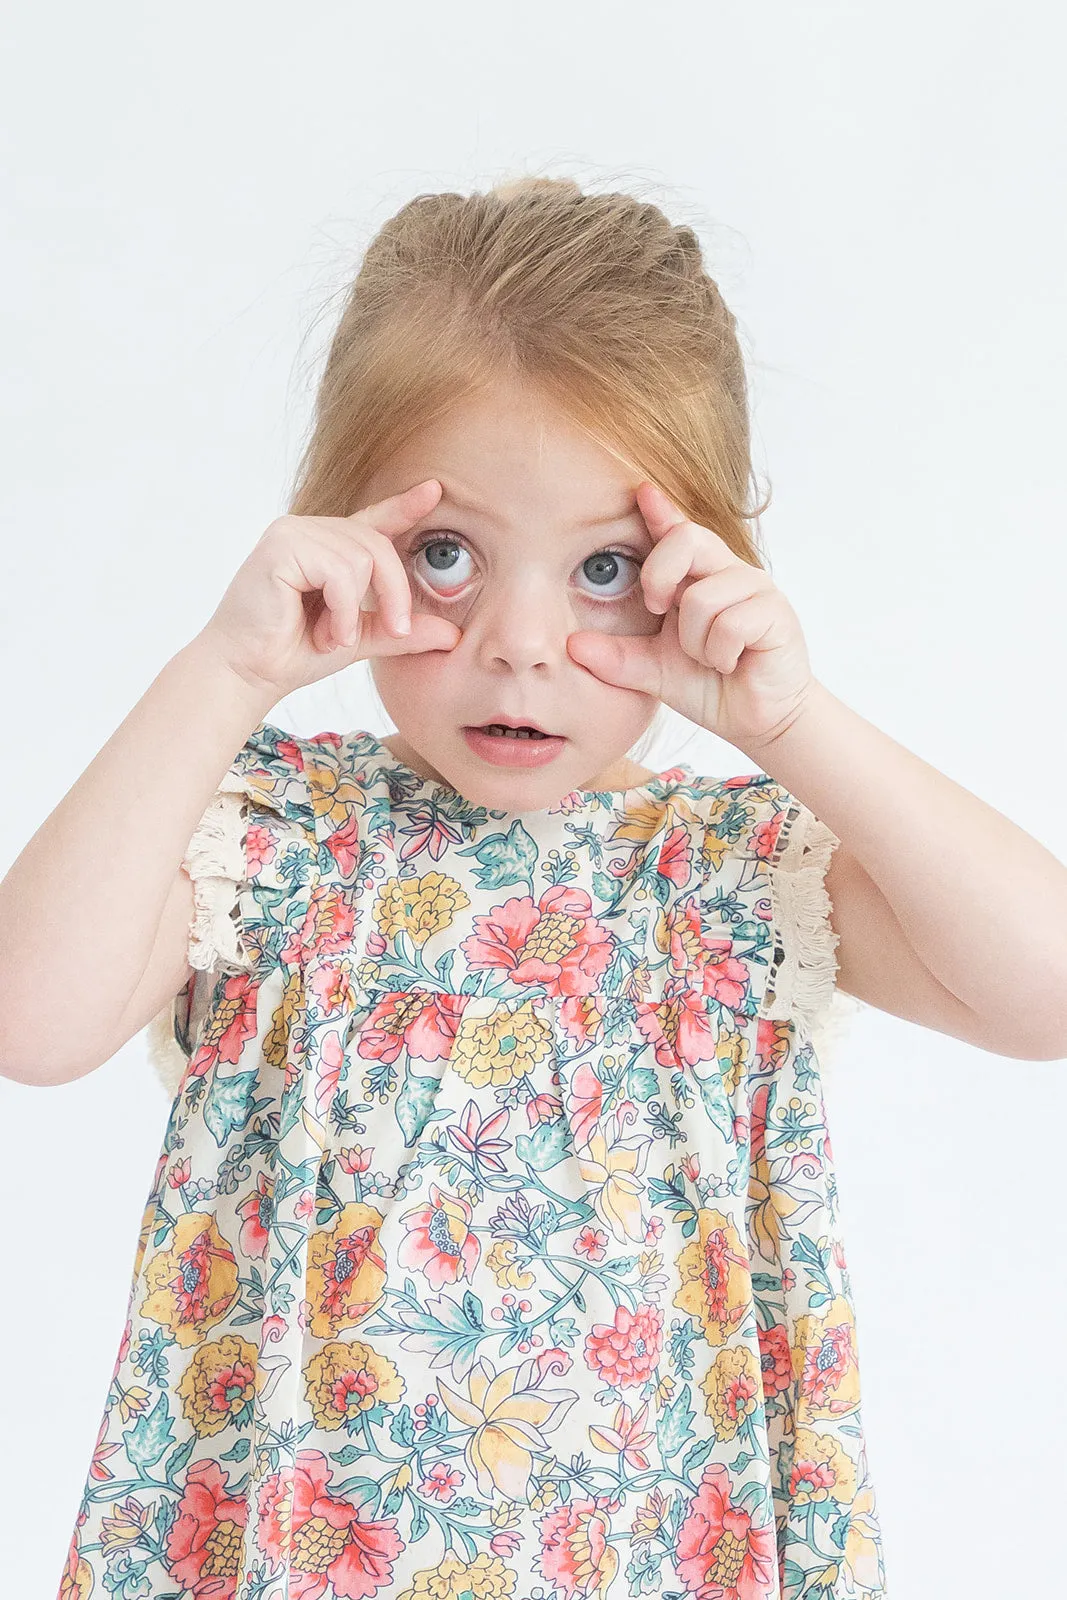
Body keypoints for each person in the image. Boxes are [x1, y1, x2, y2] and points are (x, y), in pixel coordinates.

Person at [7, 173, 1063, 1600]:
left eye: (605, 568)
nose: (521, 642)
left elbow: (1043, 990)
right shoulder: (271, 835)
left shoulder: (729, 876)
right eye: (447, 556)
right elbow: (33, 1020)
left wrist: (790, 722)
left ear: (701, 570)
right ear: (341, 534)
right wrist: (222, 672)